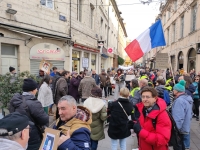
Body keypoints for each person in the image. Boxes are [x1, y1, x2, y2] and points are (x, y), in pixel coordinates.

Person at [9, 78, 49, 150]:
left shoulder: (15, 101)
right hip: (31, 135)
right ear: (33, 90)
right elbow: (44, 119)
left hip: (17, 134)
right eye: (36, 89)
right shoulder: (34, 103)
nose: (37, 90)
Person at [172, 80, 193, 149]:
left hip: (181, 130)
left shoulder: (179, 101)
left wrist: (175, 130)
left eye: (174, 89)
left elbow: (178, 117)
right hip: (186, 127)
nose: (173, 90)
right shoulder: (187, 99)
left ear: (177, 91)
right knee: (186, 147)